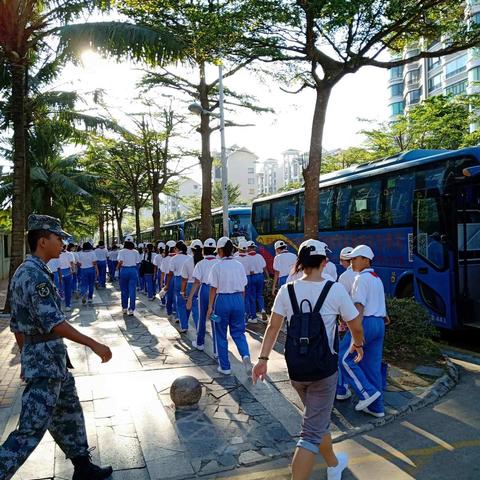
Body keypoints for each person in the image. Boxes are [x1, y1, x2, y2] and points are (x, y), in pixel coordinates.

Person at [0, 214, 113, 480]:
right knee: (30, 428)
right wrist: (94, 344)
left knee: (69, 411)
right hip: (46, 364)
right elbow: (55, 323)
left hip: (49, 362)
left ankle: (83, 466)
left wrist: (27, 357)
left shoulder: (30, 271)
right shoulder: (34, 277)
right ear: (43, 241)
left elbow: (17, 325)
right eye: (58, 237)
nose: (62, 242)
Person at [252, 239, 364, 480]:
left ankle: (334, 464)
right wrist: (357, 343)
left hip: (297, 370)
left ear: (299, 262)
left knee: (315, 417)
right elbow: (355, 323)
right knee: (310, 433)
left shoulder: (286, 290)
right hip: (323, 370)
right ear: (325, 262)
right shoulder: (334, 289)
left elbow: (273, 327)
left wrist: (263, 359)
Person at [338, 245, 387, 418]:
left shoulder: (360, 279)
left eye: (355, 259)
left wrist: (354, 331)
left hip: (364, 323)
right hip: (379, 323)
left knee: (344, 359)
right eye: (350, 259)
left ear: (366, 260)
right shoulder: (376, 278)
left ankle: (366, 393)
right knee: (371, 365)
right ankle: (376, 408)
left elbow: (358, 307)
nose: (352, 263)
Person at [206, 237, 252, 375]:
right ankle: (245, 355)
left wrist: (210, 306)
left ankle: (225, 367)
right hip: (238, 300)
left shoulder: (217, 266)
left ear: (220, 250)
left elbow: (213, 288)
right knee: (238, 332)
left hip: (222, 301)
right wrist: (241, 304)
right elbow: (244, 287)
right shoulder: (239, 265)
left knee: (220, 334)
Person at [186, 238, 219, 355]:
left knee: (201, 318)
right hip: (217, 291)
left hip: (204, 290)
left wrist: (190, 298)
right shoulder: (219, 262)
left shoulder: (200, 264)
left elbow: (196, 282)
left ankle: (200, 343)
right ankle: (217, 349)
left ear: (204, 249)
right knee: (215, 318)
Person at [165, 241, 190, 332]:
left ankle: (184, 325)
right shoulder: (189, 258)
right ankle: (185, 319)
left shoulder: (174, 259)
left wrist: (167, 284)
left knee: (180, 302)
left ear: (177, 249)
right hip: (189, 280)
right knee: (188, 301)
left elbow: (170, 273)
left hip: (178, 280)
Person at [181, 239, 203, 330]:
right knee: (200, 308)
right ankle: (201, 327)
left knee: (190, 307)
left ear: (192, 250)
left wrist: (182, 291)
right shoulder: (204, 261)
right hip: (202, 287)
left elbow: (184, 279)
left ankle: (185, 326)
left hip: (190, 286)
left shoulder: (187, 262)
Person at [117, 237, 141, 315]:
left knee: (124, 290)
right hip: (133, 270)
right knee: (132, 290)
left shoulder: (121, 251)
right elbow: (138, 262)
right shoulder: (136, 252)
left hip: (124, 270)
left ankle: (124, 308)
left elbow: (120, 261)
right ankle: (131, 309)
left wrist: (117, 268)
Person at [246, 241, 269, 322]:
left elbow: (251, 271)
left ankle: (254, 317)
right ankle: (262, 310)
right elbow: (264, 268)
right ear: (254, 248)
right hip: (260, 276)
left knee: (252, 297)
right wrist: (268, 277)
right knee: (260, 295)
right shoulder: (259, 256)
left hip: (252, 277)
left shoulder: (247, 257)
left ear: (248, 248)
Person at [234, 241, 253, 324]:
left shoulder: (235, 259)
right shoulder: (250, 258)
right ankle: (247, 316)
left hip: (238, 279)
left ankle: (241, 317)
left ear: (239, 249)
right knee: (247, 297)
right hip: (248, 278)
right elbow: (252, 271)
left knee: (239, 298)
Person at [161, 240, 177, 320]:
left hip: (168, 277)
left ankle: (169, 311)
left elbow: (163, 272)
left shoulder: (165, 259)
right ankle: (176, 312)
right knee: (176, 295)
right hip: (177, 277)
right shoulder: (178, 257)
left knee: (169, 295)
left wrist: (162, 282)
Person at [58, 242, 76, 312]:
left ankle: (59, 305)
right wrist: (73, 271)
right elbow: (72, 263)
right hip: (68, 272)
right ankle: (67, 305)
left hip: (58, 272)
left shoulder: (56, 254)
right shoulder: (70, 254)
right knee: (68, 289)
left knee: (59, 288)